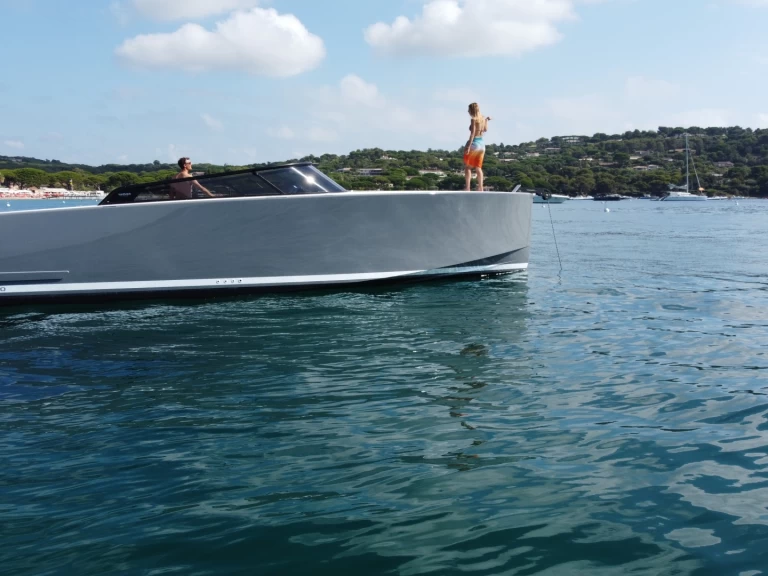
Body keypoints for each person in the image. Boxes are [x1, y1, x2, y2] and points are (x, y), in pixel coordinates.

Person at [463, 103, 491, 191]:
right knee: (478, 167)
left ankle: (468, 187)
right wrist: (486, 120)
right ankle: (481, 187)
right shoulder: (482, 118)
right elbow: (485, 129)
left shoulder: (473, 119)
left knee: (468, 167)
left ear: (472, 110)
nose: (468, 111)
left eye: (469, 109)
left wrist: (468, 146)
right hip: (481, 144)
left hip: (474, 143)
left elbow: (472, 134)